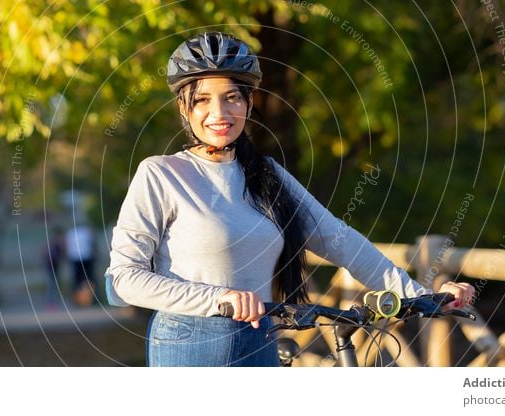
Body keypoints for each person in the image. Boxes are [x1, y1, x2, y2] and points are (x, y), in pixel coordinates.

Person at [105, 32, 474, 367]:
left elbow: (337, 239)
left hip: (261, 338)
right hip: (189, 345)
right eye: (202, 100)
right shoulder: (161, 174)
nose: (219, 113)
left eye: (232, 97)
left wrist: (423, 294)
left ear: (249, 103)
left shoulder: (267, 175)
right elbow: (125, 278)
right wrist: (219, 298)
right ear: (185, 109)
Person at [66, 222, 96, 307]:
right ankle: (90, 299)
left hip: (75, 258)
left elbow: (68, 246)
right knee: (89, 279)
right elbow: (92, 243)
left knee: (77, 280)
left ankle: (77, 299)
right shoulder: (87, 231)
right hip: (87, 257)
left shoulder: (71, 232)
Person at [41, 226, 65, 310]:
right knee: (52, 284)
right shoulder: (56, 242)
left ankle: (52, 302)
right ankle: (51, 302)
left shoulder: (49, 241)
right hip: (51, 265)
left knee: (53, 284)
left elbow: (43, 252)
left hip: (52, 265)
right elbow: (62, 253)